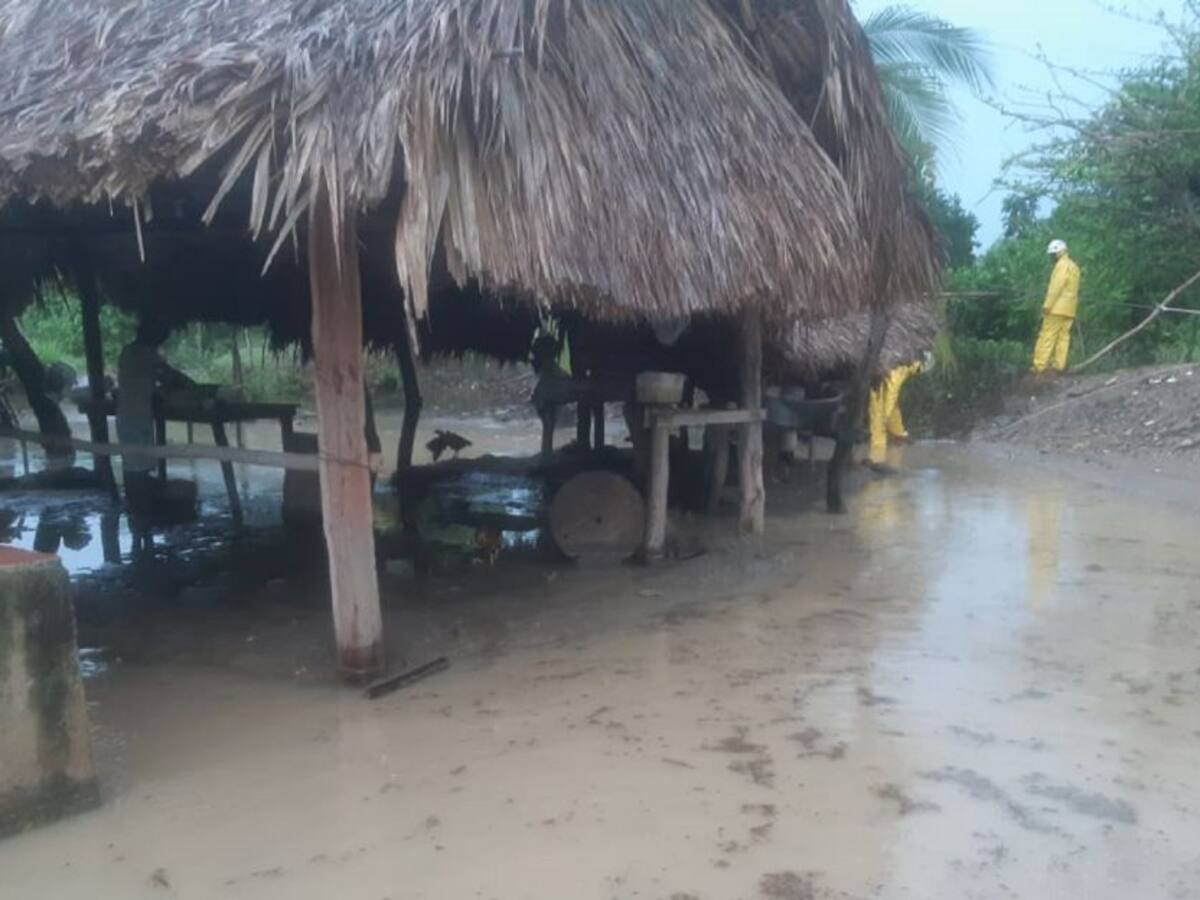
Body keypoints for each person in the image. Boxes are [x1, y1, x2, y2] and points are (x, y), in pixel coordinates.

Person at [116, 318, 193, 520]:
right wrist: (191, 386)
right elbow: (168, 375)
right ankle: (141, 511)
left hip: (125, 415)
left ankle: (136, 509)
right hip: (138, 416)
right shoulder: (146, 353)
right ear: (154, 336)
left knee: (131, 465)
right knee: (139, 467)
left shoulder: (128, 351)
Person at [1031, 239, 1082, 374]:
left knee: (1047, 335)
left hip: (1056, 308)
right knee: (1063, 337)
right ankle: (1059, 365)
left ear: (1059, 252)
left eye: (1053, 254)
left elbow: (1056, 287)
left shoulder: (1061, 265)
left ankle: (1039, 366)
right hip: (1070, 309)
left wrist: (1047, 305)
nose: (1051, 257)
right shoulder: (1074, 267)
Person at [868, 359, 924, 466]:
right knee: (879, 422)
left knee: (886, 414)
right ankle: (879, 455)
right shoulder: (899, 370)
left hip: (879, 388)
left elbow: (891, 405)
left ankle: (895, 440)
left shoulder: (899, 367)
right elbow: (890, 398)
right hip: (879, 391)